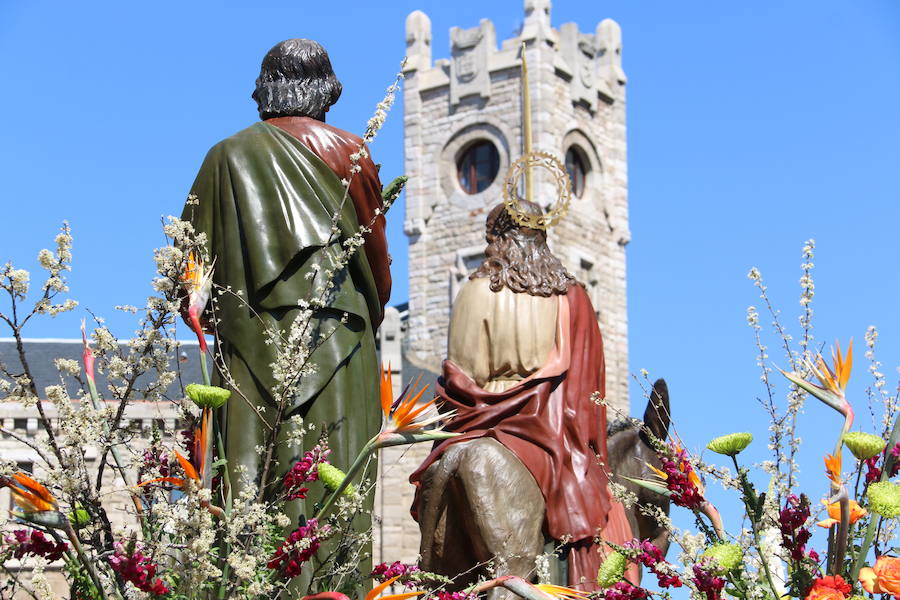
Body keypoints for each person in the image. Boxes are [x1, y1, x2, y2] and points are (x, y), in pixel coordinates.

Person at [180, 38, 390, 578]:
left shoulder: (225, 157)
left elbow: (188, 274)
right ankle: (336, 585)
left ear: (265, 86)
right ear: (325, 90)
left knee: (254, 480)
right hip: (341, 341)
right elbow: (378, 266)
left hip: (251, 344)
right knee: (337, 478)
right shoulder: (352, 153)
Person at [410, 200, 632, 591]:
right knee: (584, 506)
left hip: (474, 422)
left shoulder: (474, 292)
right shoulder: (572, 296)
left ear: (495, 239)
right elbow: (587, 392)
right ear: (541, 238)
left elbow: (460, 379)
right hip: (546, 429)